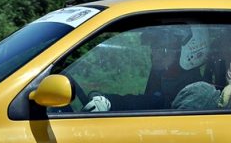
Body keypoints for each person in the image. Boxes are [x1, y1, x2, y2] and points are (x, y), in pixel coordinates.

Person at [83, 25, 212, 112]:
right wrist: (106, 100)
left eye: (163, 48)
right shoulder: (168, 82)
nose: (154, 53)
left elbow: (153, 105)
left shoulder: (196, 94)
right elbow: (148, 102)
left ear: (189, 51)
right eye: (153, 47)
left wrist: (108, 102)